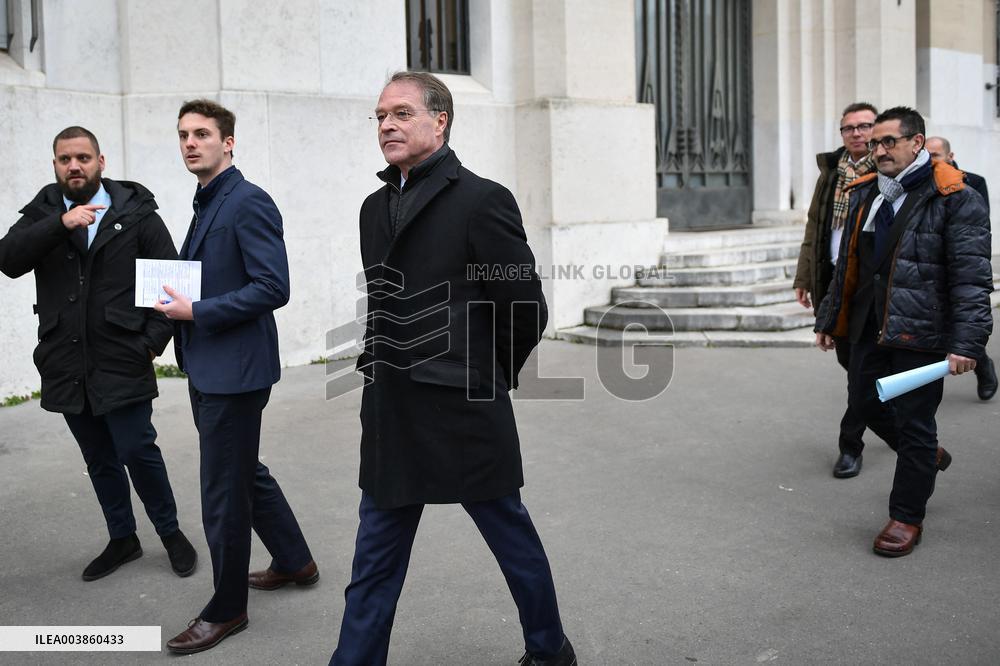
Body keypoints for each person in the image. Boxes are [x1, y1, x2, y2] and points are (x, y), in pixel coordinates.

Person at [330, 72, 576, 666]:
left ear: (439, 121)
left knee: (509, 535)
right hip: (391, 409)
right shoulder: (372, 208)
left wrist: (485, 373)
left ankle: (550, 651)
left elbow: (525, 307)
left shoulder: (481, 200)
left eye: (401, 113)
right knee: (374, 553)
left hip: (464, 409)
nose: (386, 125)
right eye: (380, 115)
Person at [0, 126, 197, 582]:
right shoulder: (43, 211)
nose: (74, 166)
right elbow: (8, 259)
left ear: (101, 162)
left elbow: (173, 283)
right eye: (65, 159)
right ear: (55, 165)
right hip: (66, 363)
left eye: (83, 158)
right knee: (99, 459)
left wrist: (149, 344)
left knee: (138, 451)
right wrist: (61, 224)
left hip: (123, 358)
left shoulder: (136, 212)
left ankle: (170, 533)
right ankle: (123, 538)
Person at [156, 100, 318, 655]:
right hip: (209, 365)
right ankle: (295, 560)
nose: (190, 143)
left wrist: (197, 312)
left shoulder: (248, 201)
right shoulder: (206, 200)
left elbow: (274, 286)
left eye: (202, 134)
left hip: (236, 372)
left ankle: (226, 610)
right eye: (183, 135)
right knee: (242, 470)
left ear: (228, 142)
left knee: (223, 490)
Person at [815, 107, 993, 557]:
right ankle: (928, 455)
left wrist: (967, 343)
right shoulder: (866, 192)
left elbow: (972, 278)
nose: (878, 150)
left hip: (922, 331)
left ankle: (906, 517)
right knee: (863, 404)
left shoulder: (955, 195)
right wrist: (830, 319)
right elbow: (848, 265)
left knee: (915, 423)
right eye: (875, 143)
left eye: (888, 141)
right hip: (867, 326)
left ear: (917, 142)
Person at [794, 102, 881, 479]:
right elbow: (814, 227)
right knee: (850, 361)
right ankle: (890, 415)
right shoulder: (831, 173)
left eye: (865, 126)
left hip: (868, 284)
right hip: (832, 277)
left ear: (877, 130)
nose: (857, 133)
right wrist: (803, 277)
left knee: (859, 372)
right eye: (849, 128)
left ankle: (850, 446)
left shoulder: (886, 171)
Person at [924, 135, 997, 401]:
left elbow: (976, 226)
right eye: (926, 155)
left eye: (935, 155)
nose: (930, 160)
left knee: (959, 325)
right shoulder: (921, 183)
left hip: (957, 262)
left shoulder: (972, 182)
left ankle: (983, 366)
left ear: (950, 156)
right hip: (927, 268)